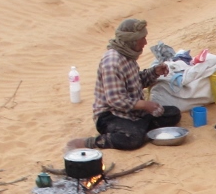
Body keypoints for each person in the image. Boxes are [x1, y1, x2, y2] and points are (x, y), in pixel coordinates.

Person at [66, 18, 181, 151]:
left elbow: (136, 81)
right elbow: (115, 100)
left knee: (173, 113)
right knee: (132, 138)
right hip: (111, 115)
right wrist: (144, 105)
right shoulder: (112, 62)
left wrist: (154, 72)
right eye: (142, 38)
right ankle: (91, 143)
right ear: (131, 40)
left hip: (134, 113)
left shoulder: (128, 56)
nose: (145, 42)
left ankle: (139, 129)